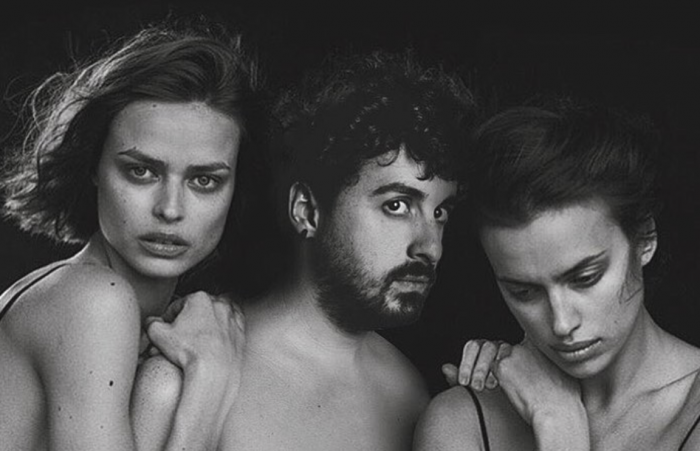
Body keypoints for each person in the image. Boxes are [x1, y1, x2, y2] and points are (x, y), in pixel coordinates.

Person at [134, 48, 476, 450]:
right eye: (397, 206)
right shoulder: (182, 370)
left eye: (440, 212)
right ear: (308, 211)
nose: (430, 247)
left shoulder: (413, 398)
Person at [0, 21, 261, 450]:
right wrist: (209, 386)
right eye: (141, 171)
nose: (170, 209)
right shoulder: (94, 301)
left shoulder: (101, 302)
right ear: (93, 167)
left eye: (204, 181)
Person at [413, 96, 700, 450]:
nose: (562, 324)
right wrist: (550, 414)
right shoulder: (463, 423)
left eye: (585, 279)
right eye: (524, 292)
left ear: (644, 240)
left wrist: (559, 425)